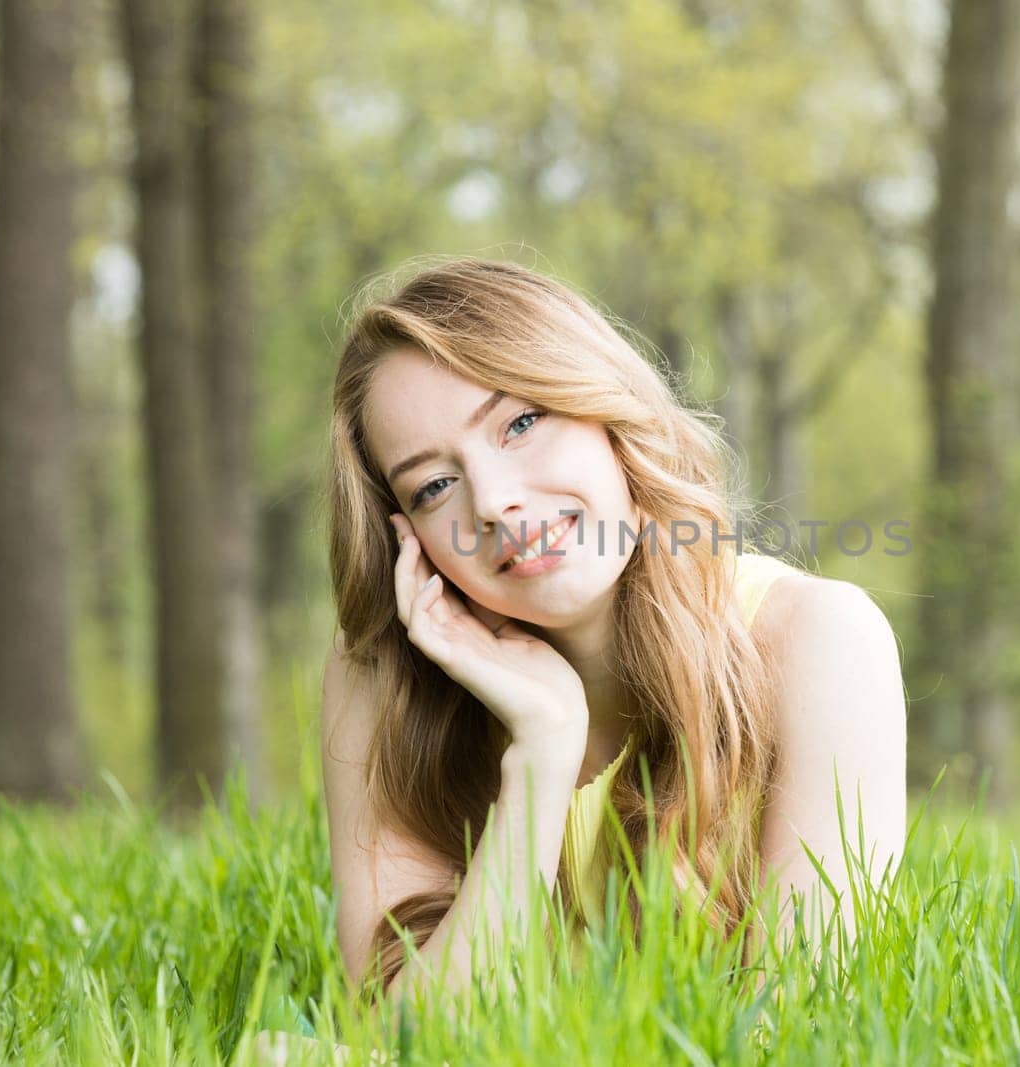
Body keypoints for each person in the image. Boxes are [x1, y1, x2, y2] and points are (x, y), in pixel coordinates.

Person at [320, 256, 907, 1011]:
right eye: (434, 484)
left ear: (607, 409)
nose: (494, 503)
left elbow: (808, 1024)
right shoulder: (381, 677)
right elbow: (398, 1036)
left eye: (521, 423)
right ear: (404, 537)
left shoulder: (819, 640)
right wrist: (541, 751)